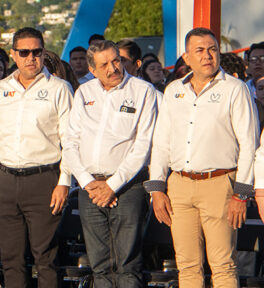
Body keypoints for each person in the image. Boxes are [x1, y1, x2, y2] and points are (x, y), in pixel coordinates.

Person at [146, 28, 258, 288]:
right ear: (186, 57)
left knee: (223, 265)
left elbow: (249, 143)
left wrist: (241, 193)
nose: (208, 55)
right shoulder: (174, 91)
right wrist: (156, 188)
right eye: (200, 50)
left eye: (212, 49)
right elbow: (161, 141)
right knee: (186, 266)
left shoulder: (235, 89)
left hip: (219, 183)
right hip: (179, 186)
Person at [0, 27, 73, 288]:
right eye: (24, 52)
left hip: (45, 180)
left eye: (37, 52)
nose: (31, 57)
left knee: (45, 258)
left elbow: (70, 141)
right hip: (6, 181)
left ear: (43, 53)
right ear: (14, 55)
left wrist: (64, 181)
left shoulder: (59, 88)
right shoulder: (0, 89)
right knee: (10, 258)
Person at [62, 40, 158, 288]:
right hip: (90, 188)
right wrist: (88, 183)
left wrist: (112, 185)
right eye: (104, 64)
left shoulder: (143, 91)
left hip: (128, 187)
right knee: (100, 266)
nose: (113, 68)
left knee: (127, 265)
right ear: (92, 69)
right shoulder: (84, 92)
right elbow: (70, 142)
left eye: (116, 60)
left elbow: (143, 146)